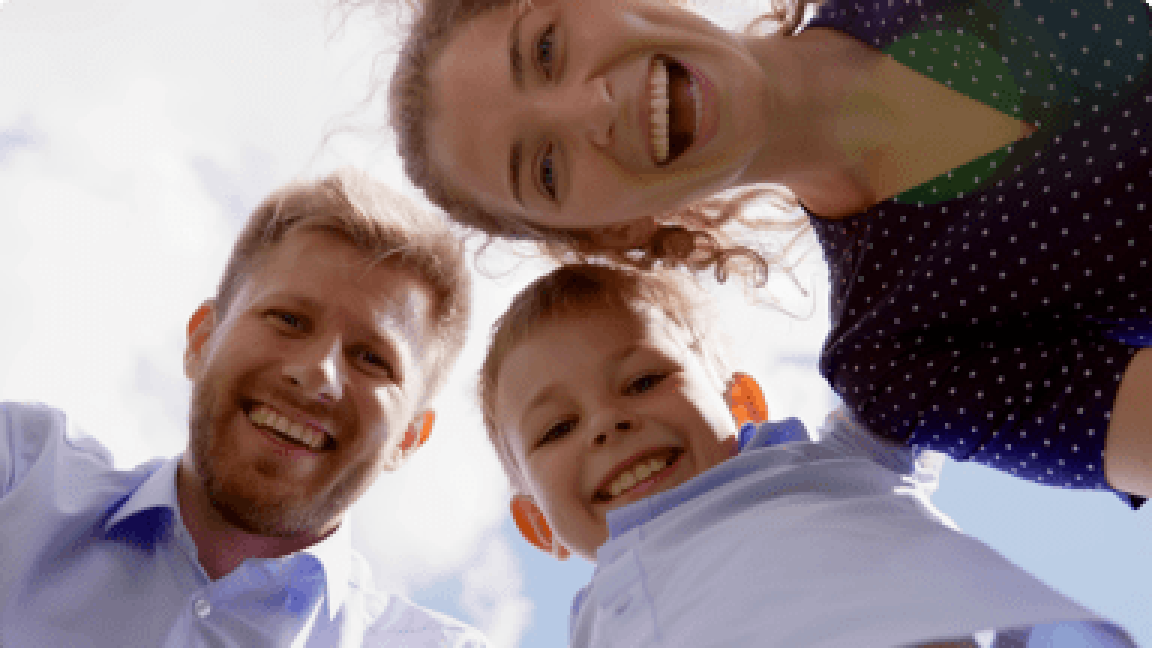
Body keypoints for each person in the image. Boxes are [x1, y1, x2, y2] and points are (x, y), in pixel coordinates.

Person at [386, 0, 1152, 506]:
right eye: (547, 169)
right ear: (609, 232)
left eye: (547, 48)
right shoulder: (894, 358)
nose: (594, 107)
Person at [479, 262, 1137, 647]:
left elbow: (914, 335)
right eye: (556, 429)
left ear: (743, 405)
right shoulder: (594, 626)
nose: (606, 423)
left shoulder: (834, 462)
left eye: (644, 381)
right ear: (538, 525)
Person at [0, 170, 490, 647]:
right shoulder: (21, 476)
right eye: (289, 319)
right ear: (202, 340)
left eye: (372, 359)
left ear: (409, 437)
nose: (317, 373)